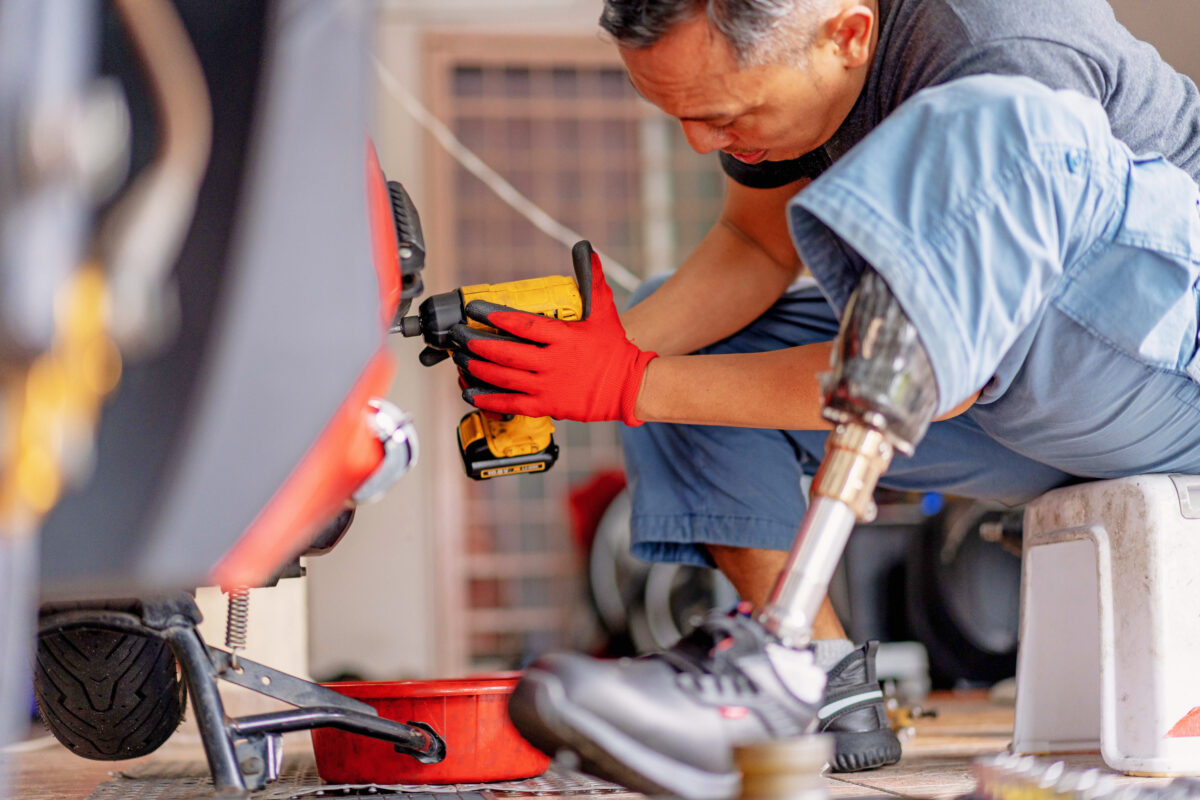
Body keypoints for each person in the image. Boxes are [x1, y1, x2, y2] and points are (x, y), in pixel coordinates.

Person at [447, 1, 1200, 798]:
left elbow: (947, 373)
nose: (701, 143)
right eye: (682, 116)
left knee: (996, 125)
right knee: (678, 356)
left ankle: (772, 664)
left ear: (848, 34)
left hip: (1163, 367)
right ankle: (817, 681)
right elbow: (754, 242)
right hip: (1022, 403)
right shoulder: (800, 66)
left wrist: (628, 385)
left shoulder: (997, 43)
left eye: (723, 114)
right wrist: (602, 357)